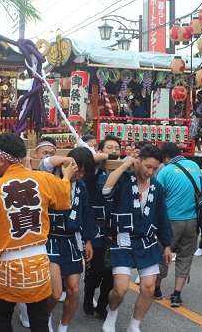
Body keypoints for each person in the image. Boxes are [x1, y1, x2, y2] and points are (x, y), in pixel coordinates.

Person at [0, 133, 77, 332]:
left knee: (2, 316)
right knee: (39, 317)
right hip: (38, 261)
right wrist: (66, 177)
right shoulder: (43, 178)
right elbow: (63, 200)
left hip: (9, 264)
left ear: (2, 159)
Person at [101, 144, 172, 332]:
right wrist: (125, 165)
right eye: (148, 166)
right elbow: (106, 190)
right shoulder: (124, 179)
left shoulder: (156, 187)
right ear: (138, 161)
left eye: (155, 168)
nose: (150, 171)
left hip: (146, 240)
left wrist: (166, 244)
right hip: (123, 238)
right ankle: (112, 311)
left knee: (148, 288)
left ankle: (134, 324)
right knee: (121, 289)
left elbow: (162, 216)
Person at [41, 147, 97, 332]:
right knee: (56, 292)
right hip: (50, 240)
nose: (80, 174)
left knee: (73, 290)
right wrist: (67, 163)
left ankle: (63, 327)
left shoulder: (80, 186)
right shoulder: (51, 178)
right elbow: (46, 163)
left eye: (83, 172)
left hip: (70, 241)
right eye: (78, 169)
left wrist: (88, 240)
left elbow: (88, 213)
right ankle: (45, 317)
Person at [155, 142, 202, 307]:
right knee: (185, 256)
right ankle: (177, 294)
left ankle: (157, 290)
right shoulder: (194, 166)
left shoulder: (165, 170)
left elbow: (158, 194)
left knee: (162, 254)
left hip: (171, 220)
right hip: (192, 220)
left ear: (167, 157)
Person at [83, 135, 122, 319]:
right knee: (97, 268)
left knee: (111, 271)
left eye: (116, 148)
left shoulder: (124, 171)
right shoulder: (93, 170)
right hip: (95, 226)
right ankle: (89, 293)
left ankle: (102, 305)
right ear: (100, 151)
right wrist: (105, 158)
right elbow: (85, 160)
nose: (114, 151)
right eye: (109, 148)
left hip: (114, 229)